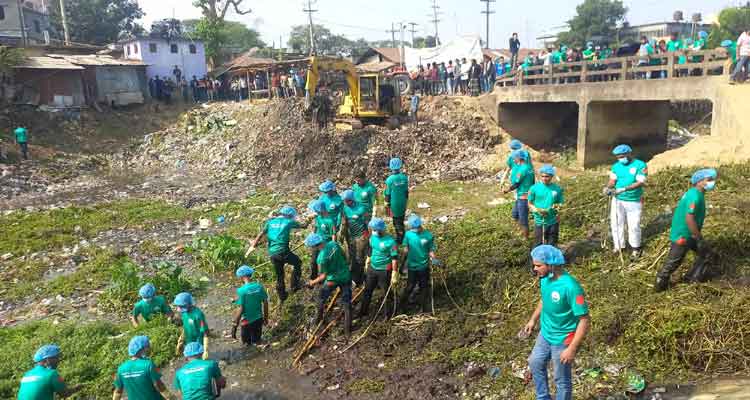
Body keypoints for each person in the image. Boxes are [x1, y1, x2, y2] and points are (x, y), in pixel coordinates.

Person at [522, 245, 590, 400]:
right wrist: (533, 320)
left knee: (561, 379)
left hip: (563, 339)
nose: (535, 269)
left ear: (551, 264)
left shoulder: (571, 287)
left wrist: (572, 349)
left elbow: (584, 320)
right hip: (545, 333)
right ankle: (543, 397)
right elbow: (544, 300)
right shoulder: (545, 279)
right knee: (535, 362)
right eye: (534, 265)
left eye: (538, 265)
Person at [655, 169, 717, 292]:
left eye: (712, 180)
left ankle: (693, 278)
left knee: (706, 253)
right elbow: (689, 218)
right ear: (699, 182)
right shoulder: (695, 196)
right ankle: (659, 286)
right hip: (683, 235)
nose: (712, 182)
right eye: (709, 180)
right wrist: (699, 238)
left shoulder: (695, 193)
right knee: (673, 263)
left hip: (690, 233)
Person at [249, 206, 304, 302]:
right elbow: (303, 225)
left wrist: (254, 244)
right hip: (283, 251)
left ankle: (282, 296)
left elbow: (261, 233)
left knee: (280, 274)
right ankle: (294, 286)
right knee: (298, 263)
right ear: (289, 215)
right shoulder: (289, 222)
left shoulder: (270, 222)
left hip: (273, 253)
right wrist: (311, 217)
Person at [604, 144, 647, 260]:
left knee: (634, 225)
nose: (620, 159)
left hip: (633, 200)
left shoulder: (640, 165)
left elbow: (640, 182)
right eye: (618, 157)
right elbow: (612, 180)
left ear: (629, 154)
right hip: (618, 199)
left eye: (622, 156)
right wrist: (608, 187)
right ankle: (619, 246)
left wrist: (624, 188)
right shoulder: (616, 166)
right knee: (616, 223)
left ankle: (635, 248)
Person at [305, 233, 352, 335]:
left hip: (332, 280)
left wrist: (312, 282)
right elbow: (345, 256)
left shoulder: (321, 258)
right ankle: (348, 330)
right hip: (345, 276)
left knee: (321, 299)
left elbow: (323, 276)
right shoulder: (334, 244)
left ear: (314, 246)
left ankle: (318, 320)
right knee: (347, 304)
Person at [358, 218, 398, 319]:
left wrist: (394, 272)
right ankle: (363, 312)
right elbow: (371, 248)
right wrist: (368, 258)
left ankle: (387, 315)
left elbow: (394, 258)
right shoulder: (372, 237)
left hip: (384, 270)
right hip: (372, 268)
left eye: (376, 230)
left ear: (381, 229)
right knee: (367, 290)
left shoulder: (391, 242)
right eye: (373, 230)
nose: (374, 232)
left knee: (385, 293)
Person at [113, 336, 173, 400]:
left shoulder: (121, 369)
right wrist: (171, 397)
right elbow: (159, 386)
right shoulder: (148, 365)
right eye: (147, 346)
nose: (150, 348)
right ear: (141, 348)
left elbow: (118, 392)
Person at [398, 214, 437, 315]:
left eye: (416, 228)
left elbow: (431, 249)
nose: (414, 230)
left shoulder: (428, 235)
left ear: (420, 226)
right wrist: (404, 254)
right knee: (410, 286)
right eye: (412, 228)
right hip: (412, 266)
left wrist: (434, 258)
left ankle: (424, 308)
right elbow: (405, 247)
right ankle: (401, 304)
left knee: (424, 287)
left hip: (423, 266)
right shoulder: (408, 234)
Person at [231, 265, 268, 346]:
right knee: (257, 341)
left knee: (246, 344)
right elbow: (265, 302)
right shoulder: (259, 286)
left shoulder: (241, 290)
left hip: (247, 322)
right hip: (258, 319)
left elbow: (241, 309)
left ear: (241, 277)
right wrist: (266, 318)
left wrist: (235, 325)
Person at [528, 165, 564, 247]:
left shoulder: (557, 189)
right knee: (538, 244)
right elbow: (530, 203)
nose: (544, 178)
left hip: (553, 221)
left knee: (552, 244)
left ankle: (551, 259)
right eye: (542, 176)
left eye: (547, 176)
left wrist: (557, 209)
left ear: (551, 176)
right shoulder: (534, 188)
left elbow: (560, 203)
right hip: (539, 221)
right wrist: (537, 210)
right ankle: (537, 259)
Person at [504, 150, 535, 239]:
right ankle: (522, 231)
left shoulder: (522, 169)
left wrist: (507, 190)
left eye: (514, 158)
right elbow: (533, 182)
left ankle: (526, 237)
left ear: (519, 158)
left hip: (523, 198)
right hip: (522, 196)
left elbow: (517, 184)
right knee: (515, 214)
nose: (513, 159)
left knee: (523, 218)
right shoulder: (529, 168)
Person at [341, 190, 368, 286]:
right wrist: (342, 234)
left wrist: (367, 237)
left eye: (347, 200)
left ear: (352, 199)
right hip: (351, 236)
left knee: (359, 257)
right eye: (344, 201)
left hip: (361, 236)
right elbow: (344, 222)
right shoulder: (345, 208)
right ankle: (353, 275)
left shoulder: (361, 208)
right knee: (352, 256)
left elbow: (367, 223)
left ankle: (360, 277)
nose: (346, 202)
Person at [173, 292, 209, 360]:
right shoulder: (184, 313)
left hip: (198, 340)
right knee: (189, 357)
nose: (178, 309)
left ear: (188, 304)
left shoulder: (198, 315)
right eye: (178, 306)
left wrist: (205, 350)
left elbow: (205, 333)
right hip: (189, 339)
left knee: (198, 358)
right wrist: (181, 339)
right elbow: (185, 326)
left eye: (180, 306)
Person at [309, 199, 337, 279]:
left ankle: (325, 278)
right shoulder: (318, 217)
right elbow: (315, 227)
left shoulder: (330, 221)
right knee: (313, 261)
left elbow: (333, 235)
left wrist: (333, 246)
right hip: (316, 242)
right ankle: (313, 278)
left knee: (324, 262)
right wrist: (312, 235)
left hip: (325, 244)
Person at [384, 157, 409, 244]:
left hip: (394, 204)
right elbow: (406, 192)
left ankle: (400, 239)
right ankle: (402, 235)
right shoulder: (405, 178)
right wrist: (405, 202)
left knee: (396, 222)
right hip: (403, 202)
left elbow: (387, 193)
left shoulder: (389, 180)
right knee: (401, 220)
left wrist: (386, 204)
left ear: (390, 167)